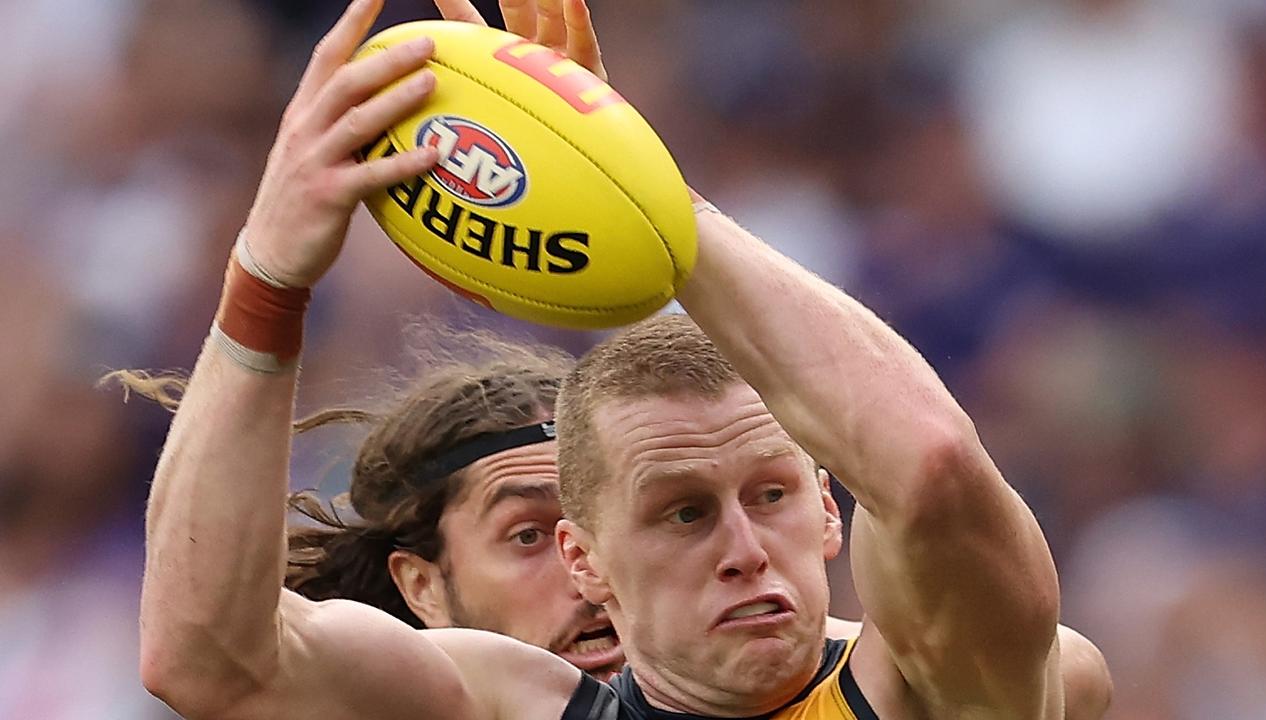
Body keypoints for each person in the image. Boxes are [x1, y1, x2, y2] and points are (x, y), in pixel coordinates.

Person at [133, 1, 1112, 719]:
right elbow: (203, 657)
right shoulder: (500, 701)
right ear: (584, 558)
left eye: (767, 495)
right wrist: (264, 276)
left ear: (826, 507)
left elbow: (931, 467)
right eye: (681, 511)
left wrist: (644, 199)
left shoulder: (931, 686)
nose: (740, 549)